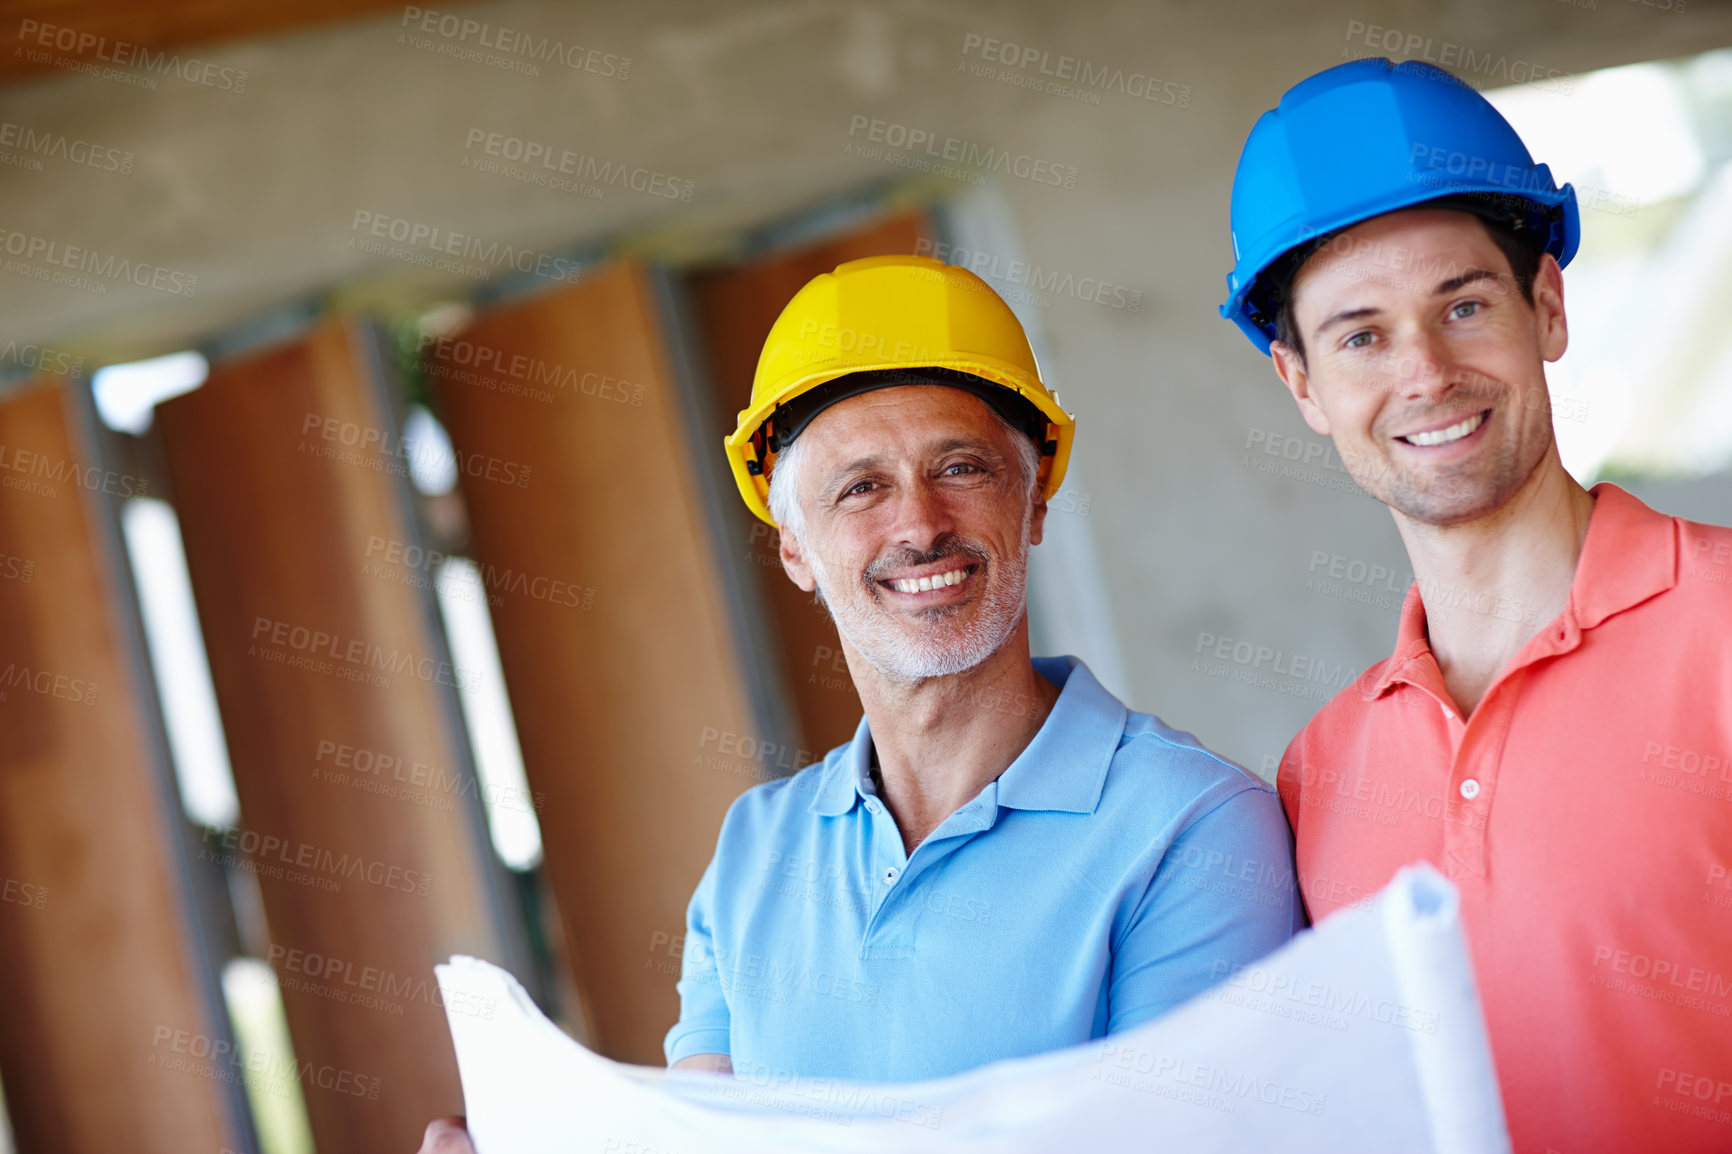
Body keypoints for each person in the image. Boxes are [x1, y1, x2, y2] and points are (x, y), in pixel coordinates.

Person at [414, 254, 1300, 1152]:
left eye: (962, 468)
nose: (919, 524)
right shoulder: (755, 854)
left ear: (1033, 504)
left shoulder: (1195, 830)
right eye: (861, 488)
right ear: (795, 550)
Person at [1222, 58, 1732, 1154]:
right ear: (1302, 384)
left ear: (1546, 305)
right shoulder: (1319, 772)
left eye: (1461, 304)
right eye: (1360, 334)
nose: (1426, 372)